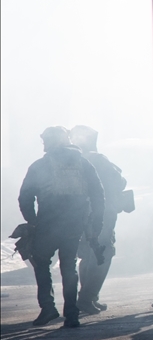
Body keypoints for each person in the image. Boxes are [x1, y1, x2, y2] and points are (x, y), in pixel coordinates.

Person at [18, 126, 105, 328]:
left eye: (45, 141)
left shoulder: (39, 166)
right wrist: (95, 223)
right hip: (74, 225)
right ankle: (72, 314)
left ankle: (48, 308)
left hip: (47, 225)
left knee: (41, 263)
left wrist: (32, 220)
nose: (44, 145)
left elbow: (25, 197)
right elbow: (98, 195)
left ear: (51, 142)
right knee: (69, 267)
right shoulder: (83, 164)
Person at [70, 126, 132, 316]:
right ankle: (87, 298)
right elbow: (119, 181)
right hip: (101, 213)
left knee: (88, 254)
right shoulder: (98, 159)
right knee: (102, 254)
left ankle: (89, 297)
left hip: (80, 214)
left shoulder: (71, 161)